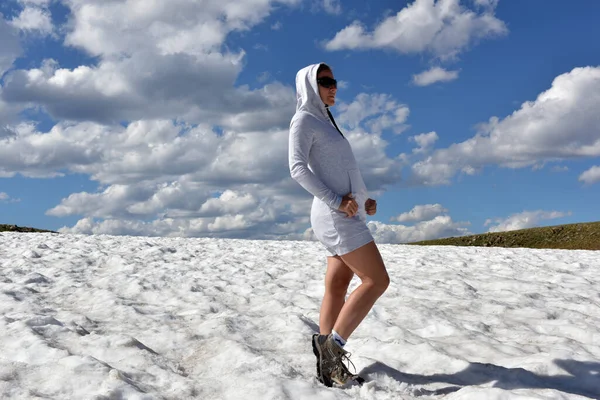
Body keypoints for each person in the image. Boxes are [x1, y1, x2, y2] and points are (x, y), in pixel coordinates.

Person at [288, 62, 390, 387]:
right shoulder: (304, 118)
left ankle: (325, 361)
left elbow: (343, 170)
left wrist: (364, 200)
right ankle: (334, 349)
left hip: (345, 213)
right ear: (308, 84)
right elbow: (296, 168)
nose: (333, 87)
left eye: (334, 81)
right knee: (376, 280)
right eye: (326, 81)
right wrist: (337, 201)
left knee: (337, 284)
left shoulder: (325, 122)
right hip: (335, 216)